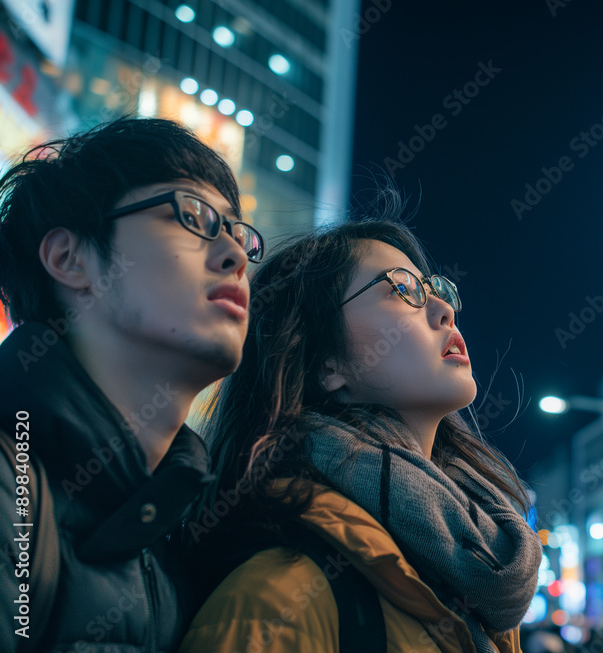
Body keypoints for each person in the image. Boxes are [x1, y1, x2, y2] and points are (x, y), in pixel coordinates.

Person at [180, 207, 542, 652]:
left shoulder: (471, 561)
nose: (445, 309)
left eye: (435, 289)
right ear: (326, 364)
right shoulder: (279, 596)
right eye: (402, 289)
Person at [0, 118, 265, 651]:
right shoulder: (13, 492)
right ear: (69, 259)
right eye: (194, 217)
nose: (235, 256)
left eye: (239, 235)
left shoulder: (177, 542)